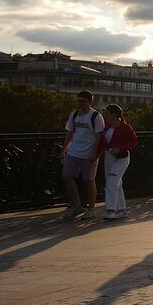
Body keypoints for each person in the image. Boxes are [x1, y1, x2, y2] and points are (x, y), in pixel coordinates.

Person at [60, 90, 103, 218]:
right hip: (74, 152)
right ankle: (77, 205)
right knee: (66, 176)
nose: (80, 104)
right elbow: (70, 133)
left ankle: (91, 209)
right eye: (79, 101)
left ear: (90, 102)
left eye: (83, 101)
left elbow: (99, 137)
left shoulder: (96, 116)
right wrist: (63, 150)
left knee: (89, 180)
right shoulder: (74, 115)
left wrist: (94, 154)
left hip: (88, 153)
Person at [100, 104, 137, 220]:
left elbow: (133, 141)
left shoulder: (126, 127)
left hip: (121, 158)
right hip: (109, 157)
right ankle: (121, 209)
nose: (105, 115)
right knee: (116, 182)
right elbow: (101, 142)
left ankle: (111, 210)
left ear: (114, 114)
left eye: (107, 113)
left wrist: (120, 149)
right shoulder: (106, 127)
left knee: (112, 180)